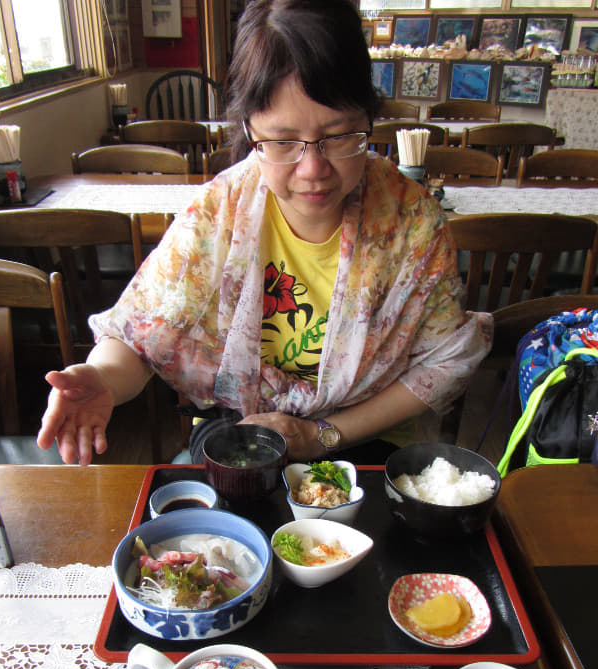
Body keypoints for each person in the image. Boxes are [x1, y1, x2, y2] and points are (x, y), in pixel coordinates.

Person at [37, 0, 492, 466]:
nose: (313, 170)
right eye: (281, 142)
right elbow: (140, 335)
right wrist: (101, 376)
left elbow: (444, 361)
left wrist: (322, 435)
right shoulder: (220, 212)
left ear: (369, 119)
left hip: (367, 433)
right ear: (250, 130)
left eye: (338, 136)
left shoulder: (410, 221)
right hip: (239, 423)